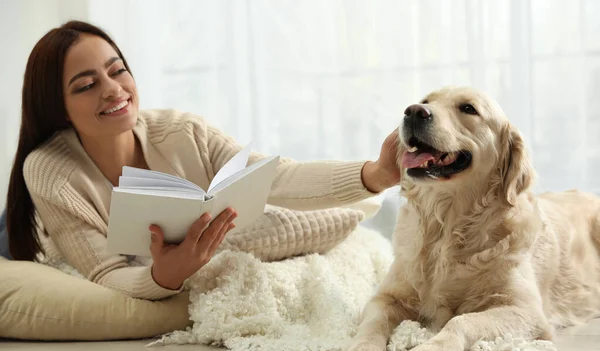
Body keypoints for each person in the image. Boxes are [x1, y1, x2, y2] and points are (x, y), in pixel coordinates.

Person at [5, 20, 401, 300]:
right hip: (25, 232)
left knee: (282, 216)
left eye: (117, 70)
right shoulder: (49, 171)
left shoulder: (181, 131)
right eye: (87, 85)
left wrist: (376, 173)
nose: (113, 90)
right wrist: (164, 276)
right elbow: (106, 274)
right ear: (58, 108)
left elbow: (276, 176)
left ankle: (365, 196)